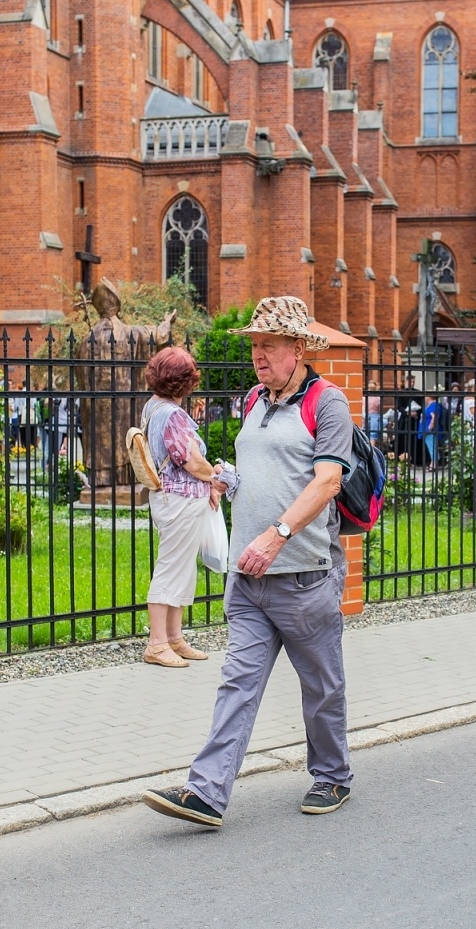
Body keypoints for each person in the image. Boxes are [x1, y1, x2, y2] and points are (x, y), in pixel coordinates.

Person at [143, 296, 354, 828]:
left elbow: (327, 481)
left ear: (298, 348)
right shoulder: (255, 399)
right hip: (249, 577)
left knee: (321, 686)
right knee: (237, 683)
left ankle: (332, 775)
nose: (257, 355)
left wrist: (277, 535)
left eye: (269, 346)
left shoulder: (327, 403)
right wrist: (228, 481)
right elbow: (265, 471)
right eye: (255, 345)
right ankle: (206, 792)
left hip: (304, 575)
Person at [140, 347, 224, 668]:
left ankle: (174, 639)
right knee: (171, 568)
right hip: (179, 500)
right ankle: (157, 644)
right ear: (186, 381)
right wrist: (215, 477)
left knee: (182, 568)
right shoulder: (172, 414)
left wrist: (207, 485)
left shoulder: (153, 407)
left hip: (173, 498)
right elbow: (190, 460)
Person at [418, 392, 445, 470]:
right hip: (427, 430)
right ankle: (432, 463)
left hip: (430, 431)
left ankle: (434, 465)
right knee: (431, 446)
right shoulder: (431, 405)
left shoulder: (434, 405)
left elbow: (434, 417)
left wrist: (430, 427)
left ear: (429, 397)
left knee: (432, 447)